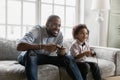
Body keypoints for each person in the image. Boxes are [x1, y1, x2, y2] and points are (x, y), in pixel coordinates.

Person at [17, 15, 83, 80]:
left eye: (59, 25)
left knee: (68, 57)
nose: (57, 28)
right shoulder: (37, 30)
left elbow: (60, 54)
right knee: (31, 53)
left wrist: (62, 53)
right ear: (47, 24)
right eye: (54, 25)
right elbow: (19, 46)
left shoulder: (59, 35)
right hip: (29, 57)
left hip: (45, 58)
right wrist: (44, 46)